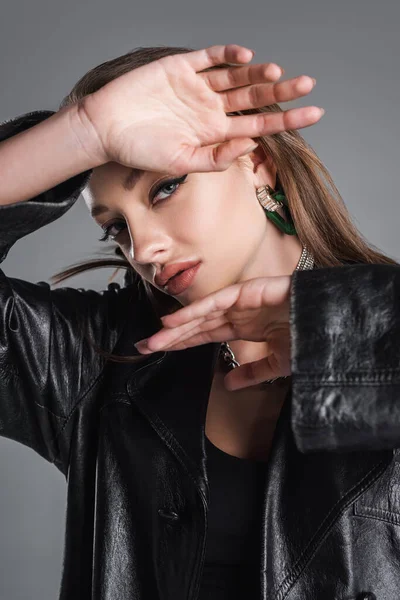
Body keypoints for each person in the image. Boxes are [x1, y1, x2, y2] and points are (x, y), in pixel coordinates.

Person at [0, 43, 397, 600]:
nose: (144, 248)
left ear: (257, 163)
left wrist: (338, 326)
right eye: (115, 227)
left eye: (164, 188)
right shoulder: (97, 362)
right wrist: (83, 133)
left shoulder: (388, 326)